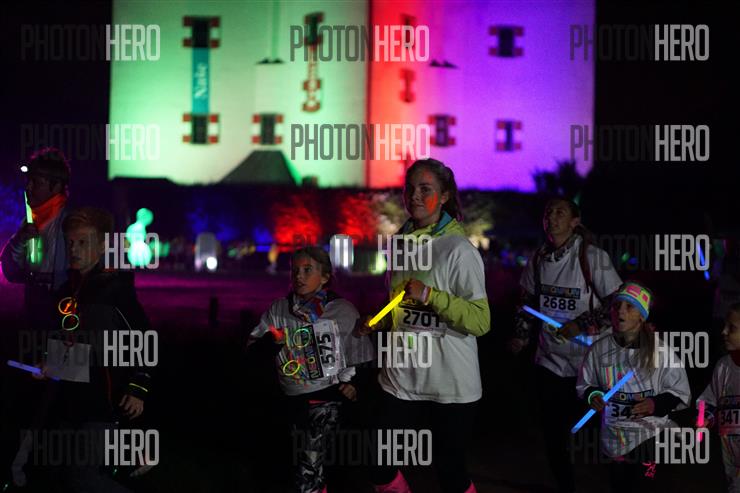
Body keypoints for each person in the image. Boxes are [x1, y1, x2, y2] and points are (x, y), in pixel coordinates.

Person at [357, 158, 490, 493]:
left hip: (451, 383)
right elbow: (401, 304)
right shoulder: (399, 244)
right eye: (410, 188)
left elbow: (480, 321)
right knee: (377, 462)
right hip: (401, 377)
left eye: (425, 189)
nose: (414, 195)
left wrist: (431, 295)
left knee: (450, 474)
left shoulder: (459, 251)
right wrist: (378, 320)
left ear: (444, 196)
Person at [27, 207, 152, 492]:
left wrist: (138, 388)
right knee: (60, 477)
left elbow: (145, 337)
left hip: (102, 405)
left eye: (83, 242)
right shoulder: (65, 292)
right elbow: (66, 343)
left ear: (103, 245)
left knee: (83, 478)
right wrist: (48, 364)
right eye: (70, 242)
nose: (74, 249)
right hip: (68, 403)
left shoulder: (116, 290)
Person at [507, 197, 622, 493]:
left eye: (560, 212)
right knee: (553, 435)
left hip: (590, 366)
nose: (552, 217)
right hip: (550, 362)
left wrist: (580, 325)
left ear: (574, 221)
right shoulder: (538, 259)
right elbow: (526, 302)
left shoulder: (592, 257)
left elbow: (618, 304)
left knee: (602, 436)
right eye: (548, 213)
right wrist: (521, 335)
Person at [248, 246, 373, 493]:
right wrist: (272, 341)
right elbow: (252, 353)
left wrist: (354, 385)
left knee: (309, 470)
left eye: (308, 270)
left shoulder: (342, 311)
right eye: (295, 270)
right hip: (290, 400)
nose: (299, 276)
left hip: (327, 400)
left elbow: (363, 356)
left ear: (325, 277)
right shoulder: (278, 310)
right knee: (299, 469)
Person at [577, 282, 691, 492]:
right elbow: (585, 384)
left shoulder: (662, 352)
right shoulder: (598, 350)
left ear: (641, 316)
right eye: (616, 306)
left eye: (629, 307)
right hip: (614, 436)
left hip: (648, 436)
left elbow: (679, 391)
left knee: (644, 487)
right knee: (620, 486)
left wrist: (655, 403)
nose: (620, 311)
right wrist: (593, 395)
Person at [698, 302, 740, 492]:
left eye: (732, 328)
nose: (724, 332)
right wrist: (704, 418)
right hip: (730, 464)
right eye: (725, 325)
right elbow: (709, 401)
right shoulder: (723, 367)